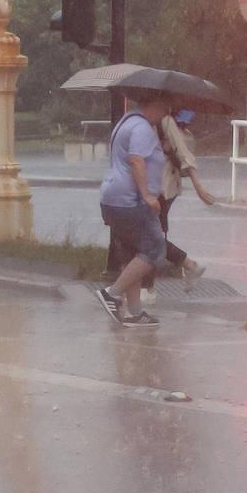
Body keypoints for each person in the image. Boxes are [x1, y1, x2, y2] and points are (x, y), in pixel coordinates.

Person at [94, 92, 171, 327]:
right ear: (153, 104)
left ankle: (135, 313)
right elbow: (137, 160)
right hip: (130, 200)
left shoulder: (127, 122)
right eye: (164, 107)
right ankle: (112, 293)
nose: (166, 113)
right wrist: (147, 195)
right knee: (154, 248)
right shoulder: (141, 128)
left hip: (114, 197)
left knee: (134, 254)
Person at [155, 108, 216, 291]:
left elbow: (184, 154)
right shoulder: (151, 120)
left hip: (163, 187)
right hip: (153, 186)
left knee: (149, 238)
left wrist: (198, 187)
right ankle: (186, 267)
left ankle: (188, 266)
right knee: (150, 237)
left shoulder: (165, 121)